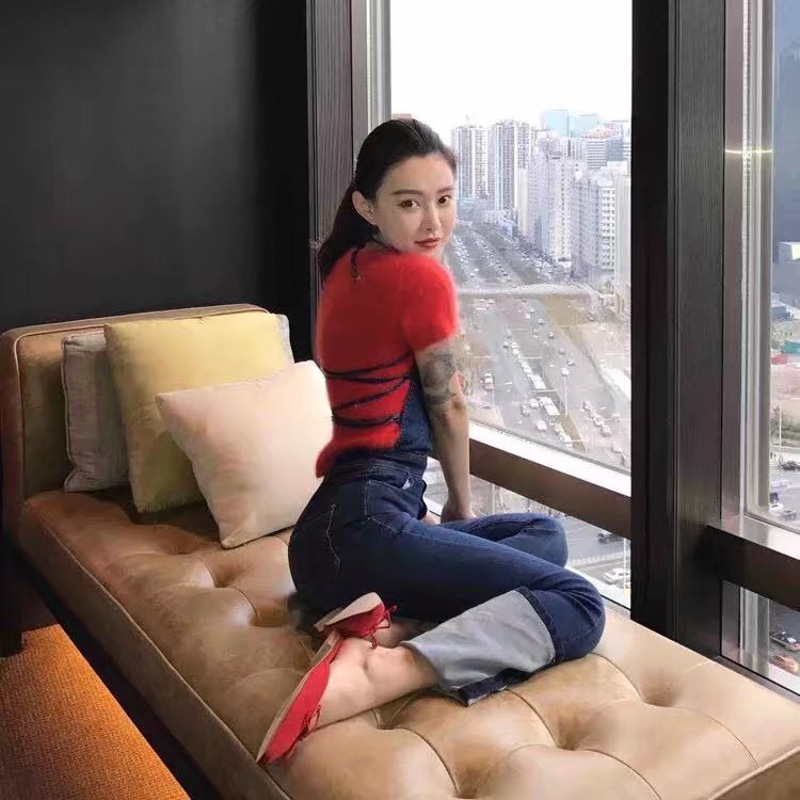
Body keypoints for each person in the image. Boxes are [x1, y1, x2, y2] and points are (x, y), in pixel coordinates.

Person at [257, 118, 606, 764]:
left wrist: (428, 520)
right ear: (367, 206)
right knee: (580, 603)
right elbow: (449, 406)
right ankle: (393, 666)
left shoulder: (347, 266)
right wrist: (460, 507)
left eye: (444, 200)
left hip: (325, 542)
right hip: (365, 529)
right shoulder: (419, 278)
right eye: (409, 203)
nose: (433, 222)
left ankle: (389, 624)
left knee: (544, 536)